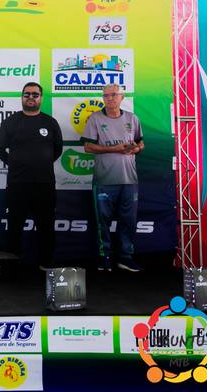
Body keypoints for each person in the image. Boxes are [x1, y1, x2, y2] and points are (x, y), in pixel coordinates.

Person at [0, 82, 63, 269]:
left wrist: (40, 164)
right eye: (27, 94)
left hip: (44, 183)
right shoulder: (11, 121)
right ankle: (13, 264)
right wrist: (16, 164)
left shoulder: (50, 122)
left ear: (41, 98)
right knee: (15, 225)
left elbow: (58, 149)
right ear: (22, 97)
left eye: (35, 94)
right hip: (18, 183)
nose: (30, 97)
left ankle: (47, 263)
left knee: (46, 225)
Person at [82, 84, 145, 273]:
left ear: (122, 97)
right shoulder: (95, 118)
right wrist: (115, 149)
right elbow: (88, 147)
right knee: (103, 221)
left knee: (129, 221)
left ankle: (125, 258)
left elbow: (140, 142)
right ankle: (105, 257)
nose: (109, 98)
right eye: (106, 95)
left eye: (113, 94)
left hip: (129, 179)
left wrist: (137, 148)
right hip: (104, 180)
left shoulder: (132, 118)